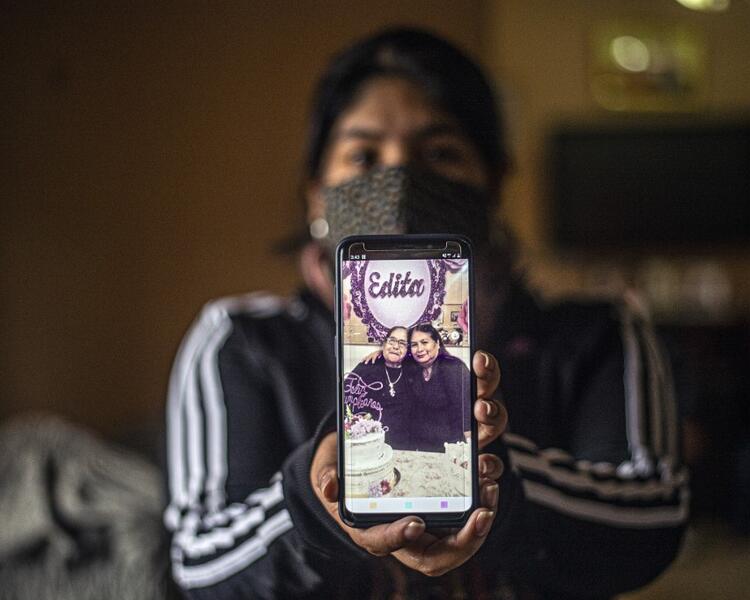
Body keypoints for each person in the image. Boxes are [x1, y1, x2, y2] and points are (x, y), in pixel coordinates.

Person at [164, 28, 688, 599]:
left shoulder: (597, 333)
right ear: (316, 193)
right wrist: (315, 501)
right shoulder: (242, 342)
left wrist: (491, 476)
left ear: (494, 183)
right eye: (363, 155)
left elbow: (651, 521)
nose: (399, 180)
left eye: (441, 154)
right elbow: (200, 565)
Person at [346, 325, 415, 449]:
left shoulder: (414, 372)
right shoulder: (367, 366)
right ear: (384, 343)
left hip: (402, 447)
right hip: (368, 446)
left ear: (408, 350)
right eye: (392, 341)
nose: (395, 346)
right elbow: (344, 399)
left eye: (402, 343)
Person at [405, 322, 470, 451]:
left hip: (449, 446)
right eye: (414, 345)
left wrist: (468, 445)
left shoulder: (452, 366)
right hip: (419, 445)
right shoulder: (413, 369)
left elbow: (465, 408)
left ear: (437, 343)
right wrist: (378, 353)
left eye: (424, 342)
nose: (419, 349)